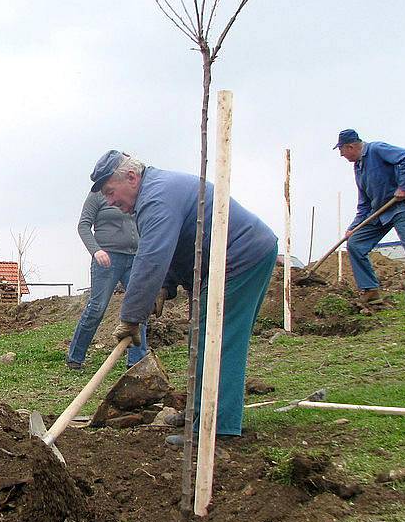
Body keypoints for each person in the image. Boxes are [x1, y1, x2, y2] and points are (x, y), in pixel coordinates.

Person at [89, 150, 278, 446]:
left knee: (217, 340)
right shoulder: (154, 194)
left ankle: (217, 429)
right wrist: (164, 287)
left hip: (239, 259)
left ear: (131, 177)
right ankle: (202, 417)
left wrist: (130, 318)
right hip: (235, 259)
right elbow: (173, 248)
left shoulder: (156, 197)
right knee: (208, 338)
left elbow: (151, 257)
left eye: (111, 192)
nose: (110, 202)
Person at [334, 129, 405, 312]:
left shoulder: (377, 149)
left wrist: (404, 187)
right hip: (380, 213)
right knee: (355, 243)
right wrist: (353, 228)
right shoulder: (358, 168)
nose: (341, 155)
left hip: (401, 208)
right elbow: (364, 204)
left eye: (342, 150)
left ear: (351, 146)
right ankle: (371, 291)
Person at [66, 191, 148, 370]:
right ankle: (75, 357)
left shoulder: (133, 193)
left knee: (139, 306)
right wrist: (96, 250)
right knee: (97, 307)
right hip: (107, 258)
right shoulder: (97, 195)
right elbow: (83, 226)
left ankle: (136, 362)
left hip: (135, 257)